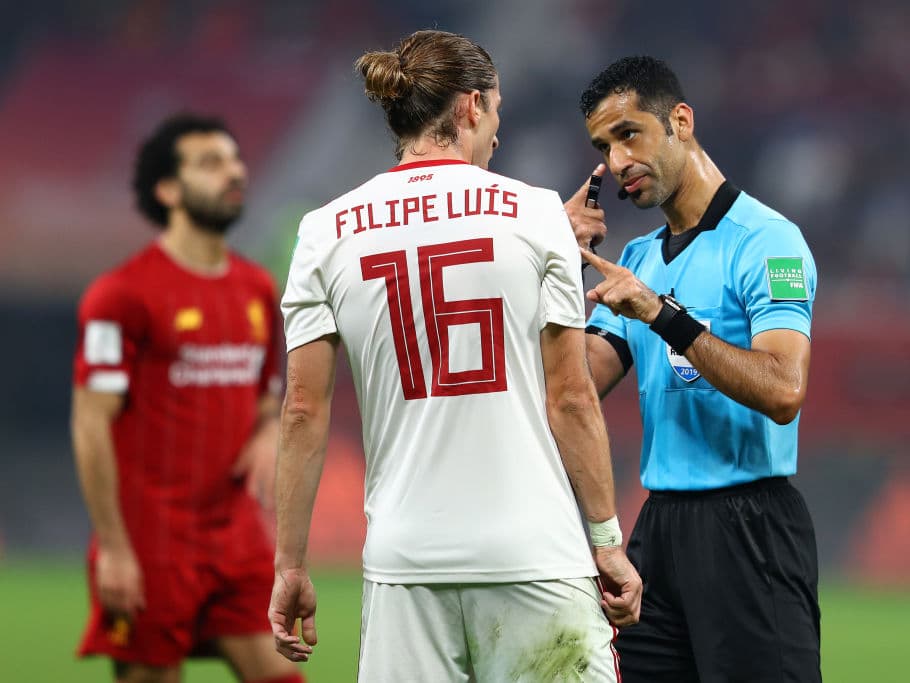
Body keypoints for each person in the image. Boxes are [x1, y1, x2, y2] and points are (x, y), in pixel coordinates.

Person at [267, 29, 642, 682]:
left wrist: (290, 565)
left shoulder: (322, 231)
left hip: (406, 569)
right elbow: (572, 397)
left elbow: (302, 409)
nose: (497, 131)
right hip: (534, 557)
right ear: (470, 106)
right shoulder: (535, 215)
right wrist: (608, 542)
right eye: (495, 111)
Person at [565, 56, 821, 682]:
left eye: (630, 134)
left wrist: (660, 313)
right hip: (659, 531)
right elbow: (574, 385)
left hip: (750, 525)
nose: (618, 161)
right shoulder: (637, 257)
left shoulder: (767, 241)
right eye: (604, 146)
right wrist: (550, 260)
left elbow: (784, 390)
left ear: (680, 121)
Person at [71, 113, 303, 683]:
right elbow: (90, 424)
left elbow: (268, 398)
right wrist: (116, 549)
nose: (234, 171)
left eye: (234, 158)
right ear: (167, 190)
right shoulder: (120, 295)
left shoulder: (255, 289)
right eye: (210, 162)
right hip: (152, 544)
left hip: (236, 540)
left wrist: (268, 434)